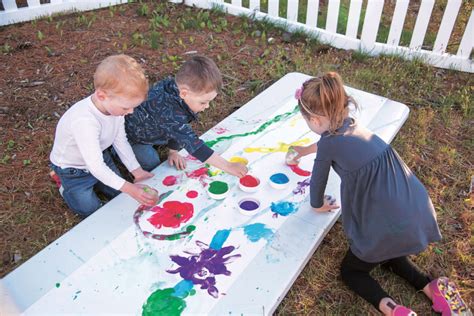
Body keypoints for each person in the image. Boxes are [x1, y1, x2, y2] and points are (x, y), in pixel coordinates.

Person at [290, 72, 471, 316]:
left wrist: (318, 204)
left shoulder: (328, 144)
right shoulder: (351, 124)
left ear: (314, 120)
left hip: (386, 226)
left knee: (352, 271)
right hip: (414, 209)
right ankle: (431, 286)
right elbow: (327, 143)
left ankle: (393, 308)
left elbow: (318, 183)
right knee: (388, 253)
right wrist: (304, 150)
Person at [50, 54, 157, 217]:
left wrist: (136, 170)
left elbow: (120, 140)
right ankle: (63, 186)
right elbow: (95, 166)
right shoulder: (84, 121)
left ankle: (104, 183)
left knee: (119, 196)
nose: (131, 112)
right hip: (73, 170)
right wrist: (129, 187)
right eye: (126, 108)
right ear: (102, 96)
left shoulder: (116, 111)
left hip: (100, 156)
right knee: (90, 209)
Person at [125, 55, 247, 177]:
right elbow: (195, 146)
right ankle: (118, 153)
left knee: (176, 130)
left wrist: (173, 151)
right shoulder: (170, 114)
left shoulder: (175, 90)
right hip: (135, 137)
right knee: (154, 164)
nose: (207, 106)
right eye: (203, 102)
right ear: (184, 93)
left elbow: (178, 129)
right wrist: (228, 166)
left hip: (156, 126)